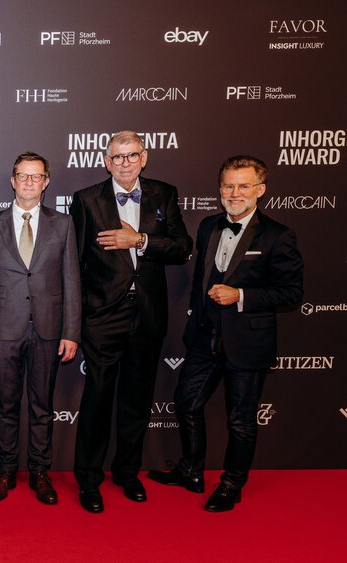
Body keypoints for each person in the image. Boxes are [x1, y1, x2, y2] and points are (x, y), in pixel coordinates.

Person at [148, 156, 303, 512]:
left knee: (241, 421)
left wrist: (242, 296)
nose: (235, 193)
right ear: (220, 190)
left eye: (244, 186)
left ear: (260, 190)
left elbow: (292, 292)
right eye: (229, 186)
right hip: (205, 337)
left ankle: (232, 483)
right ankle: (191, 469)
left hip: (247, 342)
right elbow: (201, 277)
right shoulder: (207, 226)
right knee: (186, 402)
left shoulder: (278, 235)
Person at [69, 131, 192, 513]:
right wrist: (85, 314)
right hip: (104, 316)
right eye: (117, 157)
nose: (124, 162)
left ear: (144, 157)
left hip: (149, 315)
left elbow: (182, 248)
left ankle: (126, 472)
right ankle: (89, 478)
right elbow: (75, 263)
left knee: (137, 400)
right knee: (98, 399)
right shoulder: (87, 199)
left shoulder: (163, 193)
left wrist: (139, 240)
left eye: (131, 155)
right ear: (106, 161)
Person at [0, 152, 81, 506]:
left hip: (49, 329)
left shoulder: (63, 224)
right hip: (4, 329)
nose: (29, 183)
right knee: (6, 406)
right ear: (13, 180)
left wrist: (71, 332)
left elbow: (71, 281)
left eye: (36, 177)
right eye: (23, 176)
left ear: (47, 182)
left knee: (41, 405)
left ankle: (39, 472)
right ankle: (5, 472)